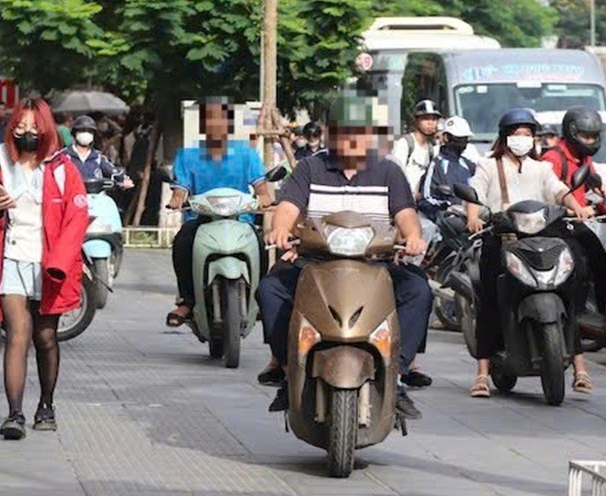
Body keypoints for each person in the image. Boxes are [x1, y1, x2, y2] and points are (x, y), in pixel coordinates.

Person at [258, 94, 432, 419]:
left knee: (417, 289)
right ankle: (287, 367)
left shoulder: (389, 172)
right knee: (270, 290)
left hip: (375, 264)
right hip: (316, 262)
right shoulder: (311, 168)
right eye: (344, 130)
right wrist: (280, 230)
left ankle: (397, 372)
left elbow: (406, 213)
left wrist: (413, 237)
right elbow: (288, 207)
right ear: (330, 132)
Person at [0, 98, 88, 440]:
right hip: (10, 260)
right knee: (17, 335)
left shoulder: (63, 168)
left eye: (34, 129)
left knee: (46, 337)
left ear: (46, 130)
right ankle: (14, 415)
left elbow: (76, 219)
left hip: (50, 264)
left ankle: (46, 405)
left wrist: (60, 264)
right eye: (20, 128)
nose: (27, 134)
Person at [466, 108, 595, 398]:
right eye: (516, 134)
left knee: (570, 288)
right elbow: (474, 194)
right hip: (502, 238)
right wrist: (473, 216)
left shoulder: (541, 168)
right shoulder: (489, 166)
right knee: (488, 296)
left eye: (527, 134)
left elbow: (560, 191)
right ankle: (483, 373)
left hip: (542, 238)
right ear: (504, 137)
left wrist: (578, 208)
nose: (521, 139)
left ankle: (580, 366)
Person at [165, 97, 271, 327]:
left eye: (222, 119)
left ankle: (259, 300)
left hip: (240, 219)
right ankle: (187, 300)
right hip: (200, 220)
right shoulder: (187, 154)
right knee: (182, 243)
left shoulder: (247, 154)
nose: (217, 124)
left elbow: (262, 187)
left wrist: (264, 197)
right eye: (211, 119)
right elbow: (180, 188)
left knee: (261, 246)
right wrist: (176, 198)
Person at [418, 116, 477, 214]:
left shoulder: (468, 165)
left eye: (465, 139)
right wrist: (447, 206)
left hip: (472, 215)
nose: (462, 142)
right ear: (446, 137)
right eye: (459, 138)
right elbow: (426, 198)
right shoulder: (436, 165)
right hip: (447, 218)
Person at [64, 115, 134, 189]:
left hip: (95, 197)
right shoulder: (64, 156)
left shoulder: (98, 157)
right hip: (70, 196)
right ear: (74, 133)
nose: (85, 134)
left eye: (89, 131)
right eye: (82, 131)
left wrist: (124, 180)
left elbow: (112, 171)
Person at [391, 99, 442, 196]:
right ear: (416, 120)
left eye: (434, 119)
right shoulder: (405, 144)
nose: (430, 123)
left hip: (422, 202)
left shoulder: (431, 149)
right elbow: (395, 175)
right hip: (403, 200)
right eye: (426, 118)